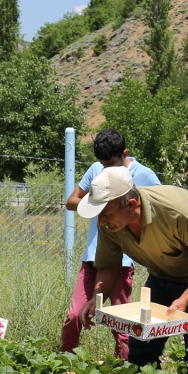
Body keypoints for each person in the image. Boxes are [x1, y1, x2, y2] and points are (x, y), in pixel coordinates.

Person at [79, 168, 188, 374]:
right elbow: (110, 264)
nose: (101, 221)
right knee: (142, 344)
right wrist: (96, 298)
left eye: (106, 213)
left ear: (131, 205)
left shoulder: (178, 211)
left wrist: (184, 299)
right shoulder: (111, 225)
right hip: (162, 274)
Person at [60, 130, 161, 356]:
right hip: (93, 258)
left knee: (120, 324)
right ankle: (63, 366)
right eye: (102, 164)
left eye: (111, 163)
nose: (105, 169)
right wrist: (98, 203)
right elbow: (71, 202)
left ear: (124, 153)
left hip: (121, 261)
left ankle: (124, 371)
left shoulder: (143, 175)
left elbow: (157, 208)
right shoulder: (97, 171)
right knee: (75, 315)